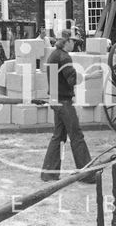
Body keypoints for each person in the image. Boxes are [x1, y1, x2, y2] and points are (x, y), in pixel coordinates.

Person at [41, 36, 102, 183]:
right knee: (76, 136)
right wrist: (91, 76)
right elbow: (72, 79)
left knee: (58, 136)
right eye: (73, 41)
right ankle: (87, 175)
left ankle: (49, 173)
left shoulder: (53, 55)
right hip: (63, 101)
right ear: (66, 42)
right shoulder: (64, 57)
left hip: (56, 100)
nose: (74, 44)